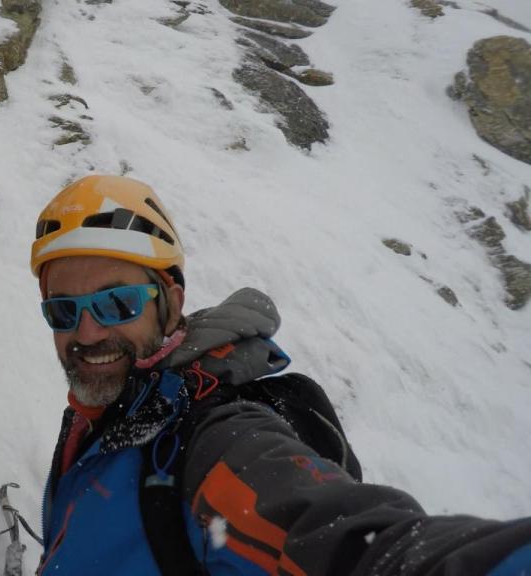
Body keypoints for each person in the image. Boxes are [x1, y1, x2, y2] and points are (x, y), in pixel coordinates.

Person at [29, 174, 531, 575]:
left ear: (172, 301)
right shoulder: (108, 410)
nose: (88, 333)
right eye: (63, 311)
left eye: (117, 303)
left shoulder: (210, 440)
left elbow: (342, 539)